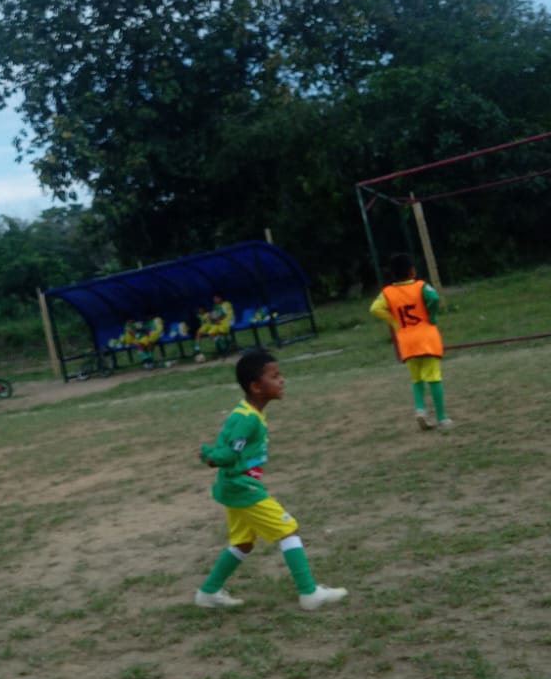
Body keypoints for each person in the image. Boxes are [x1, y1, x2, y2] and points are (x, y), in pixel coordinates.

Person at [195, 347, 347, 612]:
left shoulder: (246, 413)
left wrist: (213, 455)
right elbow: (228, 454)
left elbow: (226, 447)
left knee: (242, 543)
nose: (282, 380)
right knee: (288, 530)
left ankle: (208, 592)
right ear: (256, 386)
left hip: (234, 486)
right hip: (242, 487)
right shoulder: (248, 419)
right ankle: (309, 593)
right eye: (275, 376)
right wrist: (211, 456)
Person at [369, 253, 451, 430]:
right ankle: (442, 417)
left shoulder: (387, 292)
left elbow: (375, 308)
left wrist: (394, 321)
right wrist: (432, 315)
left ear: (393, 274)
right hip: (426, 337)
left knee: (416, 379)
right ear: (412, 271)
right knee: (434, 377)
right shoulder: (421, 286)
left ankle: (420, 409)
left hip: (406, 340)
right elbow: (434, 297)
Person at [192, 296, 234, 361]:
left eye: (216, 298)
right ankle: (197, 348)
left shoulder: (224, 305)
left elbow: (222, 315)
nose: (214, 300)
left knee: (218, 333)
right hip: (210, 325)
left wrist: (213, 317)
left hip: (221, 324)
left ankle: (224, 348)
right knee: (204, 333)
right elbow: (215, 316)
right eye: (199, 309)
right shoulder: (200, 315)